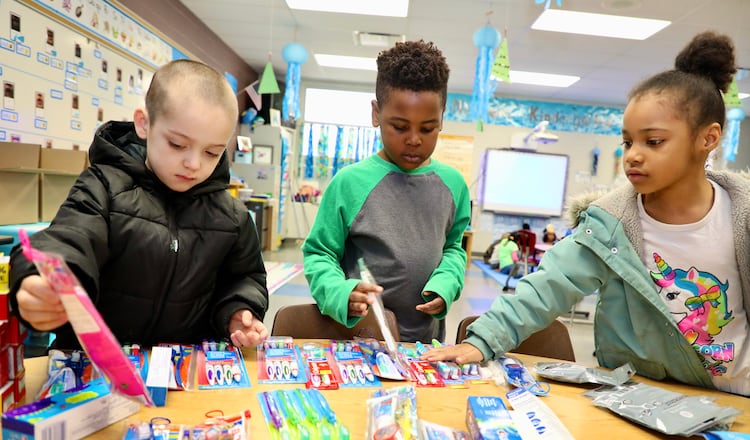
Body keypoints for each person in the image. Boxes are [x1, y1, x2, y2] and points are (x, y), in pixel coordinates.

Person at [423, 31, 750, 407]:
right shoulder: (610, 224)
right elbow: (545, 288)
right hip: (650, 400)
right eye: (627, 142)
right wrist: (482, 340)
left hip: (747, 398)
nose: (633, 155)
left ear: (707, 139)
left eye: (653, 142)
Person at [8, 59, 269, 349]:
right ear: (144, 123)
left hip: (182, 367)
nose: (194, 164)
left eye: (212, 152)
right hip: (94, 361)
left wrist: (238, 311)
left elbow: (244, 278)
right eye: (177, 144)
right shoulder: (103, 187)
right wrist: (41, 281)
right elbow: (68, 240)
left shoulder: (232, 216)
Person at [301, 40, 471, 343]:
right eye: (400, 126)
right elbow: (319, 253)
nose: (414, 139)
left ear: (442, 117)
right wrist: (340, 292)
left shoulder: (453, 185)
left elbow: (453, 248)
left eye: (428, 128)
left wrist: (447, 282)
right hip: (360, 342)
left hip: (423, 346)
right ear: (376, 114)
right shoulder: (349, 183)